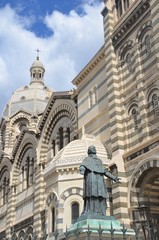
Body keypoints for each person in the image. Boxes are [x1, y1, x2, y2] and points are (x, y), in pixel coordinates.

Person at [80, 145, 120, 216]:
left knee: (101, 195)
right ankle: (90, 211)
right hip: (91, 178)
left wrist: (114, 177)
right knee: (91, 194)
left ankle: (101, 212)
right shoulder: (87, 159)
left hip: (99, 180)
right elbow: (83, 165)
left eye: (94, 148)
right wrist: (82, 169)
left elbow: (105, 171)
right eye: (92, 148)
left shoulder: (99, 160)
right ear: (89, 151)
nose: (94, 149)